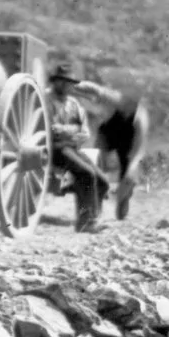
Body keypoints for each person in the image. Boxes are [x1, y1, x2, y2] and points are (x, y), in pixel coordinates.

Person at [46, 61, 120, 232]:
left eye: (69, 82)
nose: (65, 85)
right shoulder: (45, 99)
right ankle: (86, 222)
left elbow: (84, 133)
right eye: (61, 81)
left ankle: (93, 217)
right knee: (86, 174)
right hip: (53, 148)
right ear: (54, 81)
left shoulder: (73, 104)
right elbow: (49, 129)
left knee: (101, 180)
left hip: (71, 147)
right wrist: (71, 130)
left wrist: (67, 130)